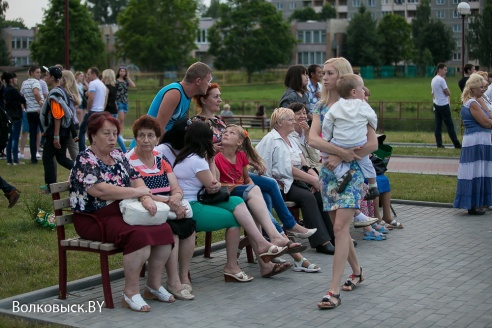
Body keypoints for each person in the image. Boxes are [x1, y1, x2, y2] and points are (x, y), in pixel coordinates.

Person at [69, 112, 175, 312]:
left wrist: (144, 197)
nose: (112, 138)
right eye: (106, 133)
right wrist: (137, 192)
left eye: (114, 133)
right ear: (93, 136)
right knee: (139, 236)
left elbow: (135, 177)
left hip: (120, 211)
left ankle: (152, 285)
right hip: (93, 218)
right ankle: (130, 292)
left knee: (163, 230)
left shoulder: (117, 155)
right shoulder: (86, 159)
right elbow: (99, 190)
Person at [191, 84, 314, 241]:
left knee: (267, 192)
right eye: (215, 97)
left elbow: (236, 148)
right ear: (203, 99)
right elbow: (193, 151)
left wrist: (253, 163)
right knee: (269, 184)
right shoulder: (197, 122)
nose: (220, 100)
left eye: (219, 96)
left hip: (233, 169)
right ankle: (285, 228)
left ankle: (271, 240)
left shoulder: (219, 121)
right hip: (215, 172)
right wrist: (210, 149)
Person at [173, 121, 293, 279]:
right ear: (205, 139)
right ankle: (238, 263)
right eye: (211, 138)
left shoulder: (190, 157)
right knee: (237, 218)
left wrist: (209, 160)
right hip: (193, 205)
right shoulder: (197, 160)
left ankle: (264, 256)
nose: (215, 140)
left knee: (239, 203)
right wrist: (211, 159)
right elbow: (213, 185)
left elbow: (215, 184)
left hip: (200, 200)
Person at [308, 57, 378, 309]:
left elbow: (373, 144)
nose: (324, 77)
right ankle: (357, 271)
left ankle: (333, 291)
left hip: (352, 173)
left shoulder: (359, 105)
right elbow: (312, 139)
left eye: (330, 73)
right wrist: (337, 153)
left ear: (343, 78)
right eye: (323, 73)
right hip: (327, 174)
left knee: (339, 229)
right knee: (340, 229)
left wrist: (344, 156)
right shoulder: (321, 106)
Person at [217, 124, 319, 273]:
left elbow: (246, 179)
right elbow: (216, 183)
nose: (225, 134)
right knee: (262, 193)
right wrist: (251, 188)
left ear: (239, 142)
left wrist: (251, 187)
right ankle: (285, 245)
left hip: (243, 191)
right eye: (225, 132)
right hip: (229, 193)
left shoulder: (241, 156)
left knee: (261, 198)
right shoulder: (217, 157)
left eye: (231, 133)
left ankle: (268, 263)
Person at [126, 115, 196, 300]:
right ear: (135, 138)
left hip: (168, 205)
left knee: (189, 226)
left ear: (157, 139)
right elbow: (142, 192)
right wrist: (169, 203)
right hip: (149, 208)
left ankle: (183, 277)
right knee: (171, 231)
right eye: (141, 136)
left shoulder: (160, 157)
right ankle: (173, 282)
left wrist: (176, 198)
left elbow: (176, 187)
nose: (146, 140)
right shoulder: (129, 160)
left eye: (150, 136)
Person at [256, 107, 336, 255]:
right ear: (280, 122)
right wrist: (312, 180)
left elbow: (303, 162)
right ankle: (321, 242)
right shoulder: (272, 139)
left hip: (296, 179)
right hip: (280, 183)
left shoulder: (292, 138)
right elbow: (286, 170)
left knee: (319, 193)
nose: (295, 121)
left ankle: (333, 237)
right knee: (308, 197)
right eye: (291, 119)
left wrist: (315, 178)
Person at [321, 74, 379, 200]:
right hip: (360, 142)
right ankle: (373, 186)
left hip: (340, 142)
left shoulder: (336, 106)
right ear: (354, 92)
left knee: (326, 154)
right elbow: (373, 117)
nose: (364, 91)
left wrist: (327, 137)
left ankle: (343, 174)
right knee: (366, 162)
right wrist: (372, 126)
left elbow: (327, 122)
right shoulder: (363, 105)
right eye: (362, 89)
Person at [454, 73, 492, 215]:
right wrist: (489, 121)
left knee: (481, 170)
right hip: (476, 140)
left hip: (481, 140)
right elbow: (485, 122)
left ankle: (479, 201)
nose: (483, 90)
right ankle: (473, 203)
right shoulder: (472, 103)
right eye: (481, 87)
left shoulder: (477, 100)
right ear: (473, 88)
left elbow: (489, 117)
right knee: (475, 171)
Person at [147, 62, 212, 133]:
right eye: (208, 81)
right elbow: (159, 128)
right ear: (198, 81)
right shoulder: (175, 93)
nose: (209, 85)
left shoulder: (187, 95)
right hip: (149, 143)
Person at [39, 66, 74, 192]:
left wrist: (55, 136)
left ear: (53, 78)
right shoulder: (62, 90)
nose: (45, 77)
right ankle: (79, 168)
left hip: (56, 131)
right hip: (64, 131)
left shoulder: (55, 93)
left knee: (47, 157)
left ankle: (50, 186)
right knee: (61, 158)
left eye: (47, 75)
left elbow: (57, 115)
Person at [431, 63, 462, 149]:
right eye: (444, 70)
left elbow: (433, 93)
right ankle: (456, 144)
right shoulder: (441, 80)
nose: (446, 71)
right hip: (443, 104)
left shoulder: (433, 79)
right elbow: (448, 92)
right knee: (450, 125)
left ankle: (439, 144)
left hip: (436, 103)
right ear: (439, 69)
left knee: (438, 125)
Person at [20, 65, 44, 164]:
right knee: (45, 132)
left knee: (33, 135)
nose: (39, 74)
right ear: (32, 73)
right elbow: (36, 92)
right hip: (38, 110)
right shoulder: (35, 82)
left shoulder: (24, 83)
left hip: (29, 111)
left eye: (39, 72)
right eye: (37, 72)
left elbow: (22, 96)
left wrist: (25, 106)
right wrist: (41, 104)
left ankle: (33, 158)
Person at [78, 67, 106, 152]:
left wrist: (88, 109)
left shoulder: (93, 83)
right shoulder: (102, 84)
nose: (87, 76)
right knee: (96, 132)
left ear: (93, 74)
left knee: (82, 131)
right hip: (100, 110)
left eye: (88, 74)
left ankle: (82, 151)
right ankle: (98, 149)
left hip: (93, 110)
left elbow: (91, 98)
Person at [3, 72, 26, 165]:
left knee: (9, 138)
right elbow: (22, 100)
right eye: (15, 78)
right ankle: (15, 160)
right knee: (15, 138)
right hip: (16, 115)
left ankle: (9, 160)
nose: (16, 80)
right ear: (12, 79)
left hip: (8, 115)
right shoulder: (14, 91)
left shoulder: (5, 90)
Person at [102, 69, 127, 152]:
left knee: (106, 131)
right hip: (114, 110)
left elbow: (105, 100)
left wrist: (102, 109)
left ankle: (106, 148)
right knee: (114, 131)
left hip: (108, 110)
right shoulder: (115, 86)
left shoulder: (106, 87)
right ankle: (123, 149)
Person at [60, 70, 81, 160]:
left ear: (64, 79)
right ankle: (79, 169)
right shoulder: (73, 93)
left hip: (68, 125)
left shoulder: (64, 93)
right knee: (74, 151)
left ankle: (79, 170)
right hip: (74, 125)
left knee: (72, 153)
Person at [116, 66, 136, 141]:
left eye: (124, 71)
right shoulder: (116, 81)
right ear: (118, 72)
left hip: (125, 101)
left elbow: (133, 85)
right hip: (119, 101)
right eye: (121, 71)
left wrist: (128, 78)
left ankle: (121, 135)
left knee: (122, 120)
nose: (122, 73)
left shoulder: (126, 81)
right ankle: (118, 135)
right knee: (120, 119)